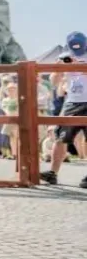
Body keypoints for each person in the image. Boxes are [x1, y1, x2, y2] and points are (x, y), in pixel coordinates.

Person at [41, 31, 87, 189]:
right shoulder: (64, 56)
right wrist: (59, 69)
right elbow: (53, 81)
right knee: (61, 137)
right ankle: (52, 173)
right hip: (72, 101)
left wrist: (78, 66)